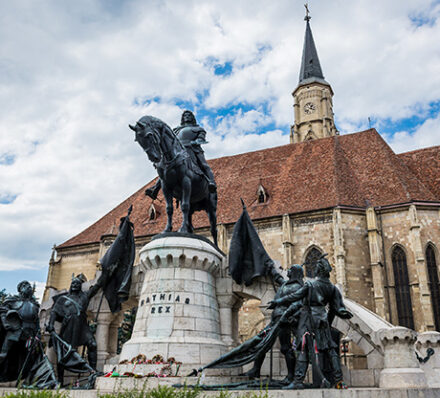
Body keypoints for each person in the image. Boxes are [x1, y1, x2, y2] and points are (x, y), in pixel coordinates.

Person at [269, 255, 353, 389]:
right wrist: (340, 314)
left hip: (309, 320)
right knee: (330, 349)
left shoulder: (311, 285)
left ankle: (297, 381)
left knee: (303, 349)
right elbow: (338, 308)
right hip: (322, 319)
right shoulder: (332, 288)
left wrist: (277, 302)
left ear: (318, 270)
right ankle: (339, 380)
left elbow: (295, 296)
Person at [243, 264, 304, 384]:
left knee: (286, 348)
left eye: (290, 270)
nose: (288, 271)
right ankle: (255, 370)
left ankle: (291, 376)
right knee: (262, 342)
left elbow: (299, 304)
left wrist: (292, 316)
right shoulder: (286, 284)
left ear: (295, 273)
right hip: (275, 319)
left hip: (285, 320)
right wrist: (271, 268)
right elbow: (278, 278)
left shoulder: (298, 287)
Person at [145, 110, 216, 199]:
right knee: (166, 167)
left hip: (192, 149)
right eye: (185, 115)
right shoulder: (176, 130)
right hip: (177, 150)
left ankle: (211, 182)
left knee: (204, 165)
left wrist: (195, 142)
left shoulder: (199, 129)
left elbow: (201, 139)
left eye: (189, 115)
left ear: (192, 117)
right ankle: (155, 189)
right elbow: (169, 140)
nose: (187, 116)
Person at [46, 276, 100, 382]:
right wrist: (51, 324)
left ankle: (93, 372)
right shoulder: (63, 299)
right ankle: (60, 380)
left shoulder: (84, 296)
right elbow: (54, 312)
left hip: (82, 327)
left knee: (92, 344)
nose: (75, 285)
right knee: (63, 354)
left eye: (77, 283)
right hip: (68, 326)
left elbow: (96, 287)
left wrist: (107, 273)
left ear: (80, 286)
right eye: (73, 283)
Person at [0, 281, 40, 381]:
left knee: (26, 357)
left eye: (30, 286)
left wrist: (38, 333)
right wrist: (5, 323)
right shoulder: (12, 300)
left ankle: (23, 378)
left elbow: (37, 321)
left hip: (29, 334)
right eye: (26, 286)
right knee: (3, 354)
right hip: (14, 331)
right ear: (20, 289)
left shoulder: (34, 304)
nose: (29, 288)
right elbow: (3, 311)